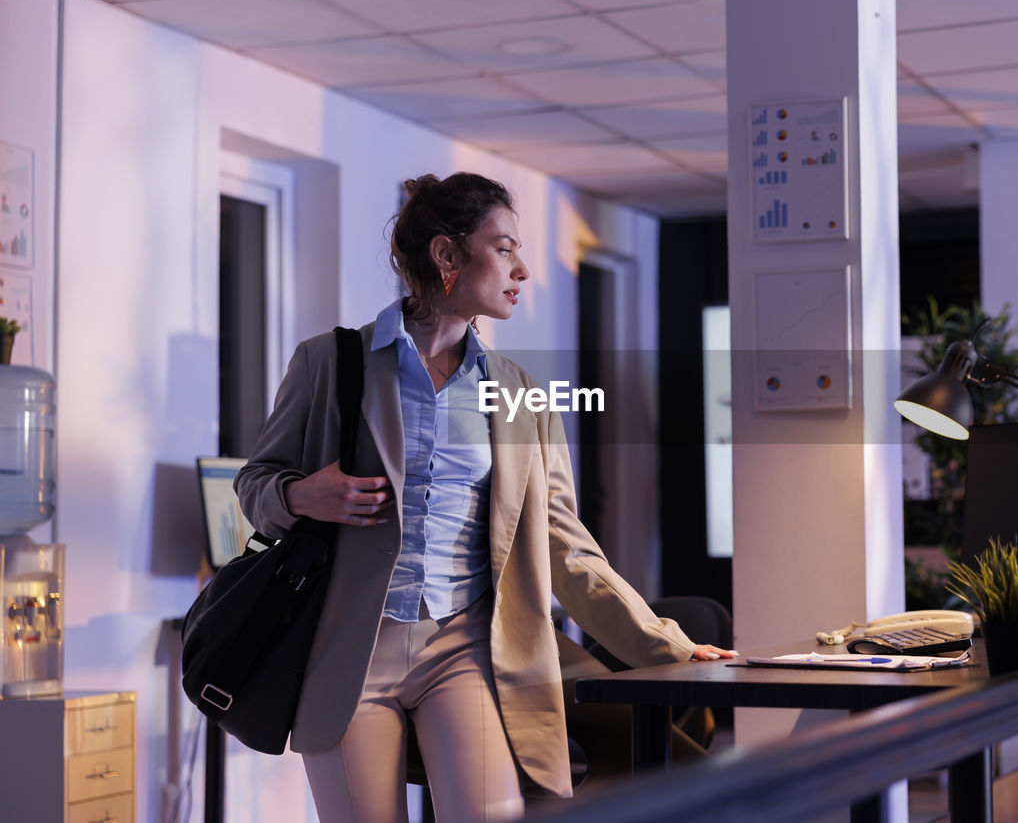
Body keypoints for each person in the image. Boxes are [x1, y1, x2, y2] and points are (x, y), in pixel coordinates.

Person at [234, 171, 735, 823]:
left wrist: (666, 643)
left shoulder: (521, 392)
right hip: (347, 650)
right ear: (447, 255)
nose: (522, 268)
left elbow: (566, 546)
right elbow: (255, 487)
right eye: (504, 247)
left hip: (465, 651)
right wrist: (304, 494)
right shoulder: (332, 364)